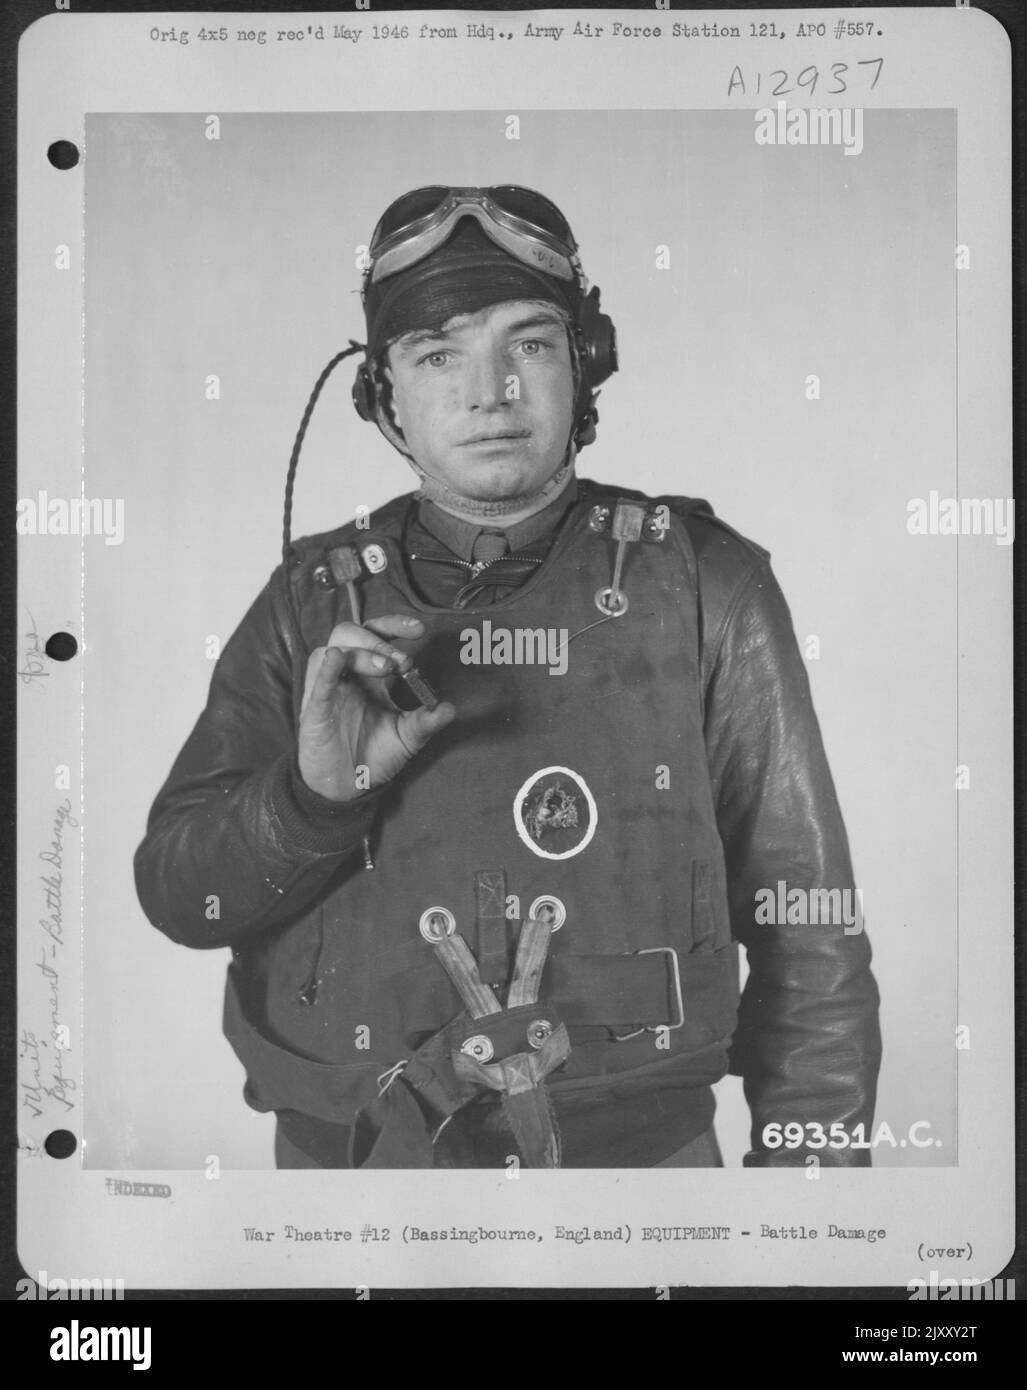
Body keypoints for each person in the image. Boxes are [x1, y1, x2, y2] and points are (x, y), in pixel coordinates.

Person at [134, 186, 881, 1169]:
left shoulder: (702, 580)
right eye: (438, 353)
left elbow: (808, 923)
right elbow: (184, 900)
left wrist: (808, 1229)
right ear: (383, 396)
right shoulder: (310, 601)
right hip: (345, 1195)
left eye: (527, 343)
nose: (489, 392)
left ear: (584, 366)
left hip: (638, 1192)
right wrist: (310, 802)